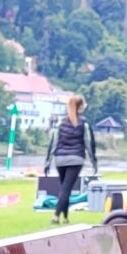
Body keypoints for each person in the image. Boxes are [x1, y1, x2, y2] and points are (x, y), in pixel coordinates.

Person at [43, 95, 92, 223]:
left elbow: (54, 143)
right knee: (66, 188)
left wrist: (48, 162)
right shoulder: (84, 123)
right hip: (76, 159)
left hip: (60, 159)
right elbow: (88, 143)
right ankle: (55, 215)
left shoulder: (60, 123)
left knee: (65, 188)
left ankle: (65, 217)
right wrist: (93, 161)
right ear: (80, 107)